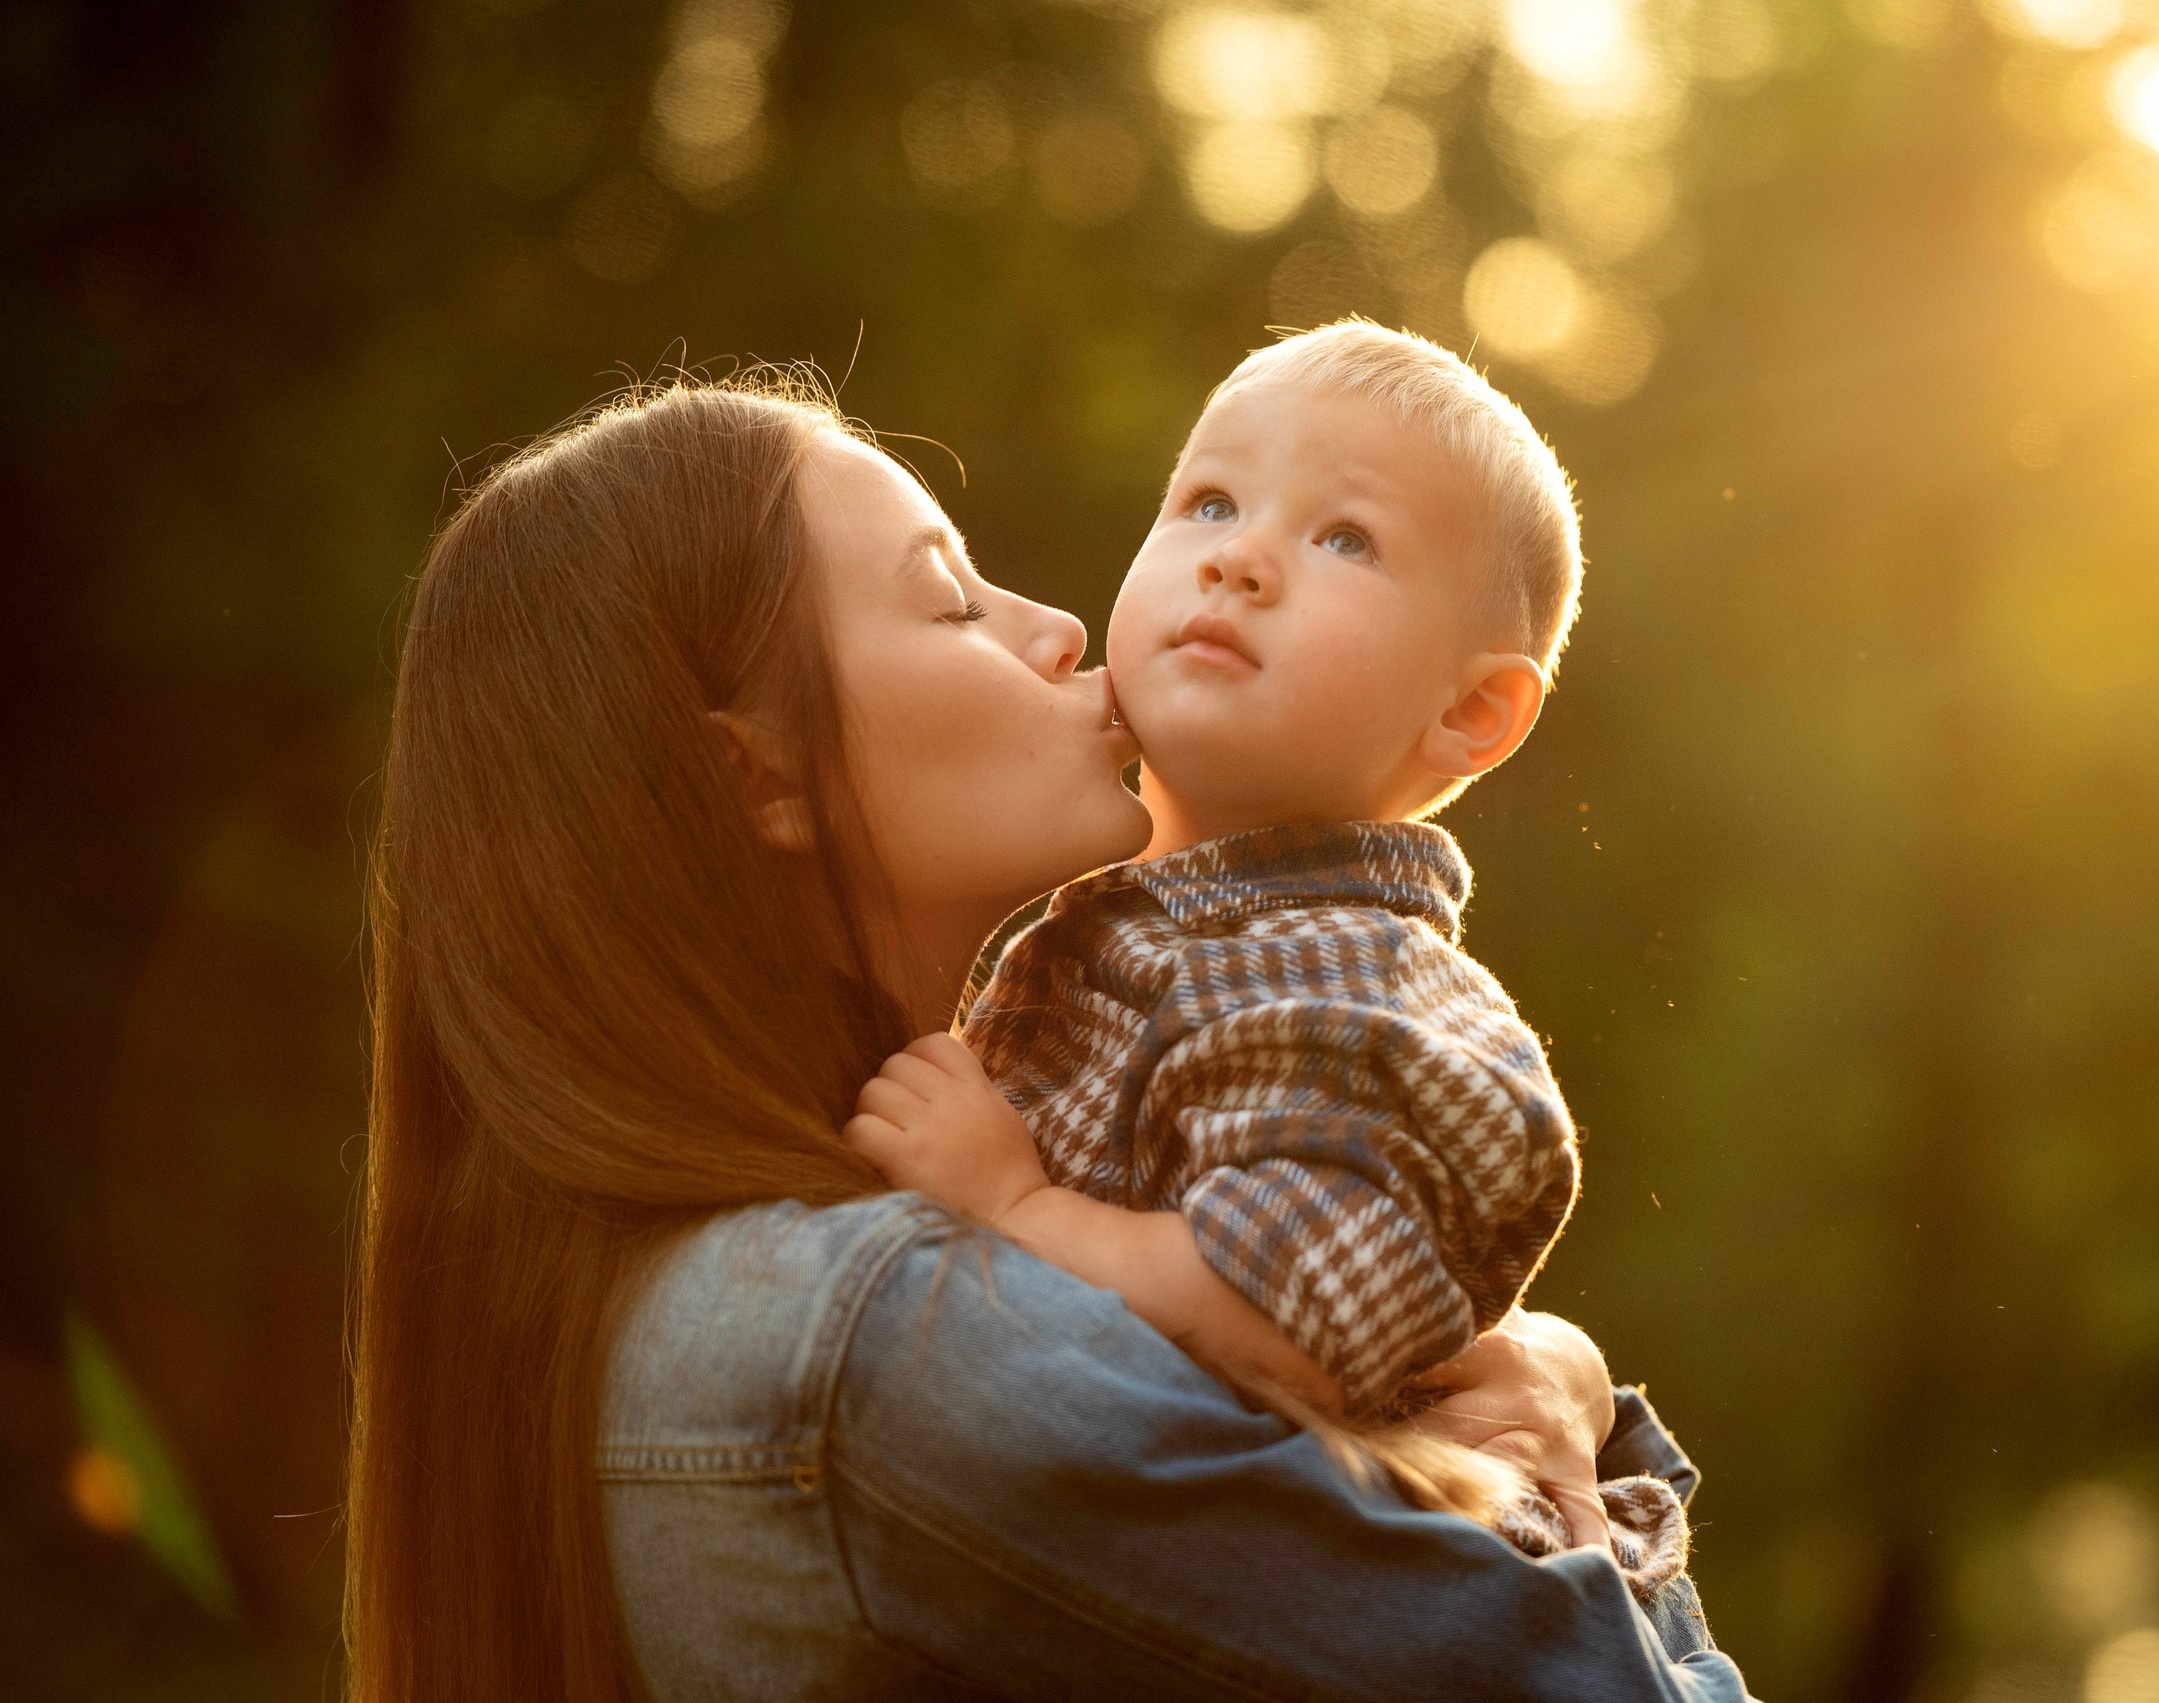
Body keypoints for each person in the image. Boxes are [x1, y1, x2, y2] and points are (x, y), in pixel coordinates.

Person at [346, 370, 1752, 1701]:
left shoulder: (750, 1254)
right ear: (755, 772)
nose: (1060, 629)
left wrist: (1549, 1370)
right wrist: (1549, 1441)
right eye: (953, 603)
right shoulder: (882, 1349)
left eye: (1341, 536)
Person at [844, 321, 1684, 1590]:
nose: (1237, 558)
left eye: (1344, 537)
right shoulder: (1113, 927)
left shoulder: (1352, 991)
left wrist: (1016, 1206)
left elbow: (1284, 1324)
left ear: (1469, 710)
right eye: (1209, 500)